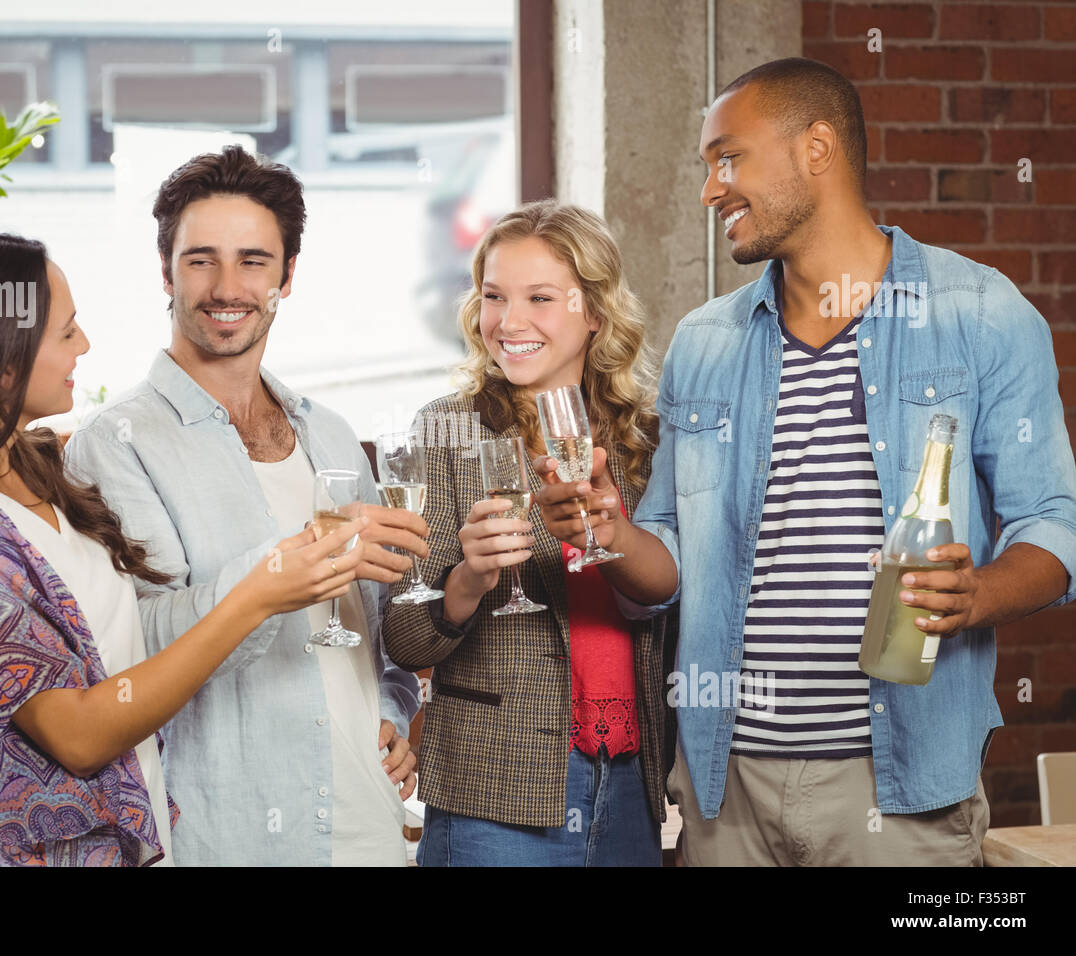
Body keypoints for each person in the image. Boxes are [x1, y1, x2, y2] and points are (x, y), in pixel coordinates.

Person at [560, 57, 1076, 865]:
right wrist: (611, 530)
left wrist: (977, 594)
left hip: (902, 787)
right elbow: (664, 572)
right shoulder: (705, 341)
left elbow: (1055, 524)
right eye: (705, 167)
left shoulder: (978, 311)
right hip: (724, 787)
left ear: (818, 148)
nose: (710, 189)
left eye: (728, 159)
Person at [0, 232, 364, 866]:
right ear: (1, 360)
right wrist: (256, 599)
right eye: (65, 332)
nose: (84, 344)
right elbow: (80, 734)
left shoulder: (37, 468)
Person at [63, 146, 424, 867]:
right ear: (165, 271)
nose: (227, 286)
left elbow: (378, 627)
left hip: (368, 825)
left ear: (287, 277)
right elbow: (140, 642)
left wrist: (395, 710)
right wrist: (275, 572)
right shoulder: (115, 445)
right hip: (225, 833)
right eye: (201, 260)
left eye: (254, 261)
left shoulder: (328, 433)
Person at [381, 200, 676, 866]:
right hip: (495, 792)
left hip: (629, 782)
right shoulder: (446, 431)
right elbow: (402, 635)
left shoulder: (645, 440)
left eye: (540, 298)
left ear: (594, 312)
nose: (509, 322)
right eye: (493, 297)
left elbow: (674, 597)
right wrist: (469, 579)